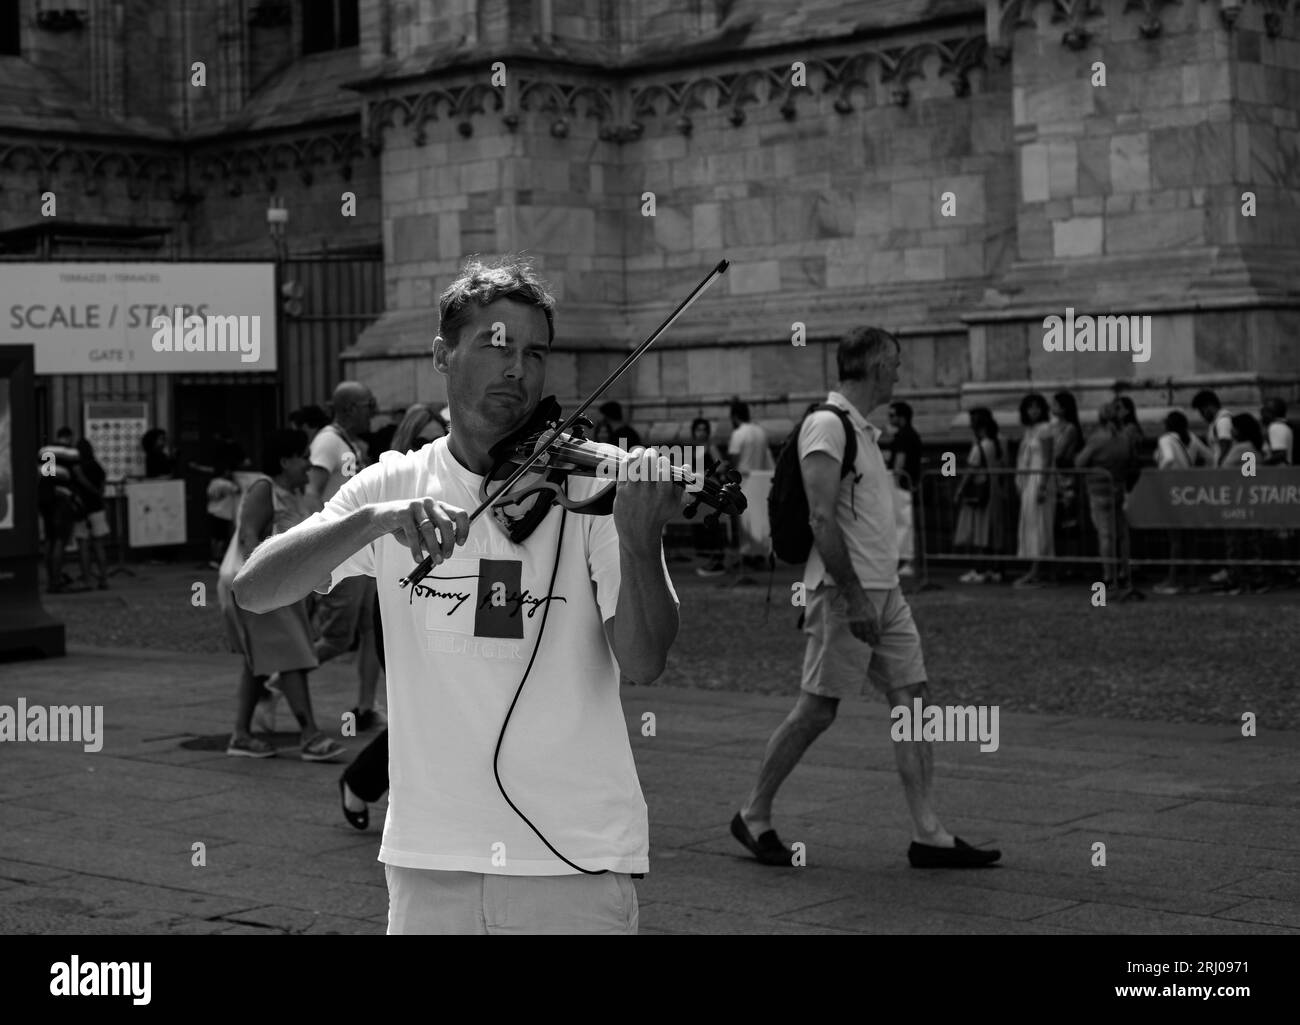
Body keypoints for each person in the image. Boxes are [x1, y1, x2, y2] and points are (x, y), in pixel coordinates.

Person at [235, 256, 683, 934]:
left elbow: (645, 661)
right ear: (442, 354)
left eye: (536, 354)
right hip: (429, 860)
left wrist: (643, 543)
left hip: (573, 860)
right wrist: (375, 521)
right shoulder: (392, 483)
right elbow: (256, 588)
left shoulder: (593, 483)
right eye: (497, 346)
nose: (518, 370)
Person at [731, 326, 1000, 871]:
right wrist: (853, 598)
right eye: (896, 363)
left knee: (914, 698)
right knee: (818, 708)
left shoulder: (864, 431)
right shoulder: (828, 427)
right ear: (876, 365)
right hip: (844, 594)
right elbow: (821, 517)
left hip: (886, 591)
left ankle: (930, 834)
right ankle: (753, 813)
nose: (901, 373)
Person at [338, 402, 450, 829]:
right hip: (398, 607)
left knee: (445, 705)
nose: (433, 447)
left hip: (446, 603)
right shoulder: (392, 484)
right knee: (419, 708)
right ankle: (361, 781)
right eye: (422, 440)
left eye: (438, 437)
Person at [221, 429, 345, 761]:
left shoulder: (292, 493)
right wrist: (260, 581)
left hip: (279, 585)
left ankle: (241, 736)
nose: (308, 463)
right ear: (284, 461)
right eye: (302, 456)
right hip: (262, 584)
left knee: (256, 662)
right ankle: (310, 735)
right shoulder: (264, 489)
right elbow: (249, 535)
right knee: (293, 655)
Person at [308, 380, 386, 732]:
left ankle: (366, 706)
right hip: (342, 553)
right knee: (338, 637)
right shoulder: (328, 442)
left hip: (362, 551)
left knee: (371, 630)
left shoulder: (348, 442)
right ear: (351, 408)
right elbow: (311, 493)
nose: (375, 411)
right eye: (370, 404)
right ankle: (276, 684)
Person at [1074, 400, 1140, 595]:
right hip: (1118, 488)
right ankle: (1124, 571)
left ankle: (1108, 575)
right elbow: (1132, 462)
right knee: (1121, 533)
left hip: (1098, 490)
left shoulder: (1097, 439)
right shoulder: (1125, 438)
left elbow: (1079, 463)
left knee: (1105, 534)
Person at [1151, 410, 1213, 596]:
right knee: (1190, 538)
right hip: (1191, 489)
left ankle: (1172, 579)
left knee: (1175, 538)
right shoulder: (1192, 438)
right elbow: (1210, 457)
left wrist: (1160, 476)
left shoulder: (1165, 439)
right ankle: (1192, 579)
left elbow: (1169, 458)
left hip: (1172, 490)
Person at [953, 408, 1006, 584]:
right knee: (994, 530)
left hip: (982, 492)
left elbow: (971, 470)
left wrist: (960, 490)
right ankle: (996, 568)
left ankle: (981, 568)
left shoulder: (980, 446)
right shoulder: (1000, 441)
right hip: (996, 489)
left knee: (980, 531)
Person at [1221, 413, 1268, 593]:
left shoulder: (1244, 449)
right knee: (1249, 541)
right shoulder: (1248, 447)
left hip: (1240, 501)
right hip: (1243, 501)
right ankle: (1252, 577)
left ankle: (1241, 579)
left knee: (1239, 542)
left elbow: (1249, 474)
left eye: (1234, 427)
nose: (1231, 431)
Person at [1013, 393, 1054, 588]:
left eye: (1037, 407)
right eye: (1030, 407)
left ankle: (1037, 569)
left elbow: (1047, 458)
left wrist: (1043, 485)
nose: (1034, 411)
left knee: (1039, 524)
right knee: (1030, 522)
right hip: (1029, 479)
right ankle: (1036, 566)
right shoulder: (1029, 430)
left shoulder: (1045, 429)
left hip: (1039, 478)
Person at [726, 399, 773, 567]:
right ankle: (760, 554)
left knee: (744, 520)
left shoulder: (738, 434)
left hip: (743, 481)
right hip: (760, 479)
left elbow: (734, 459)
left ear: (734, 416)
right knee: (758, 519)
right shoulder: (761, 432)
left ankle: (747, 556)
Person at [884, 401, 922, 577]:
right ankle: (905, 559)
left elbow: (900, 460)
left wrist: (896, 479)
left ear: (902, 417)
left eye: (892, 415)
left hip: (901, 484)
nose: (890, 419)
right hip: (905, 483)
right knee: (902, 522)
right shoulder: (910, 434)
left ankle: (907, 559)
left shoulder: (903, 436)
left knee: (903, 522)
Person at [1049, 391, 1085, 574]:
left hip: (1066, 481)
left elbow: (1057, 451)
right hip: (1054, 479)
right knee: (1059, 522)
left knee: (1069, 522)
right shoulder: (1053, 426)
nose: (1052, 407)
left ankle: (1073, 562)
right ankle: (1062, 561)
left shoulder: (1069, 428)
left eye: (1055, 404)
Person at [689, 417, 729, 577]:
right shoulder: (694, 449)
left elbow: (722, 466)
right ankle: (711, 558)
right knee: (702, 523)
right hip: (698, 490)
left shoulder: (710, 447)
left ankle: (717, 559)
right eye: (698, 429)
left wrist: (709, 474)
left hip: (710, 489)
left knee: (712, 523)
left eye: (704, 429)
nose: (701, 432)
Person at [70, 433, 111, 590]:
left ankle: (87, 580)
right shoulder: (96, 466)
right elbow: (102, 488)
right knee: (99, 545)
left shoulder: (76, 469)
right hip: (97, 508)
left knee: (83, 546)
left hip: (81, 510)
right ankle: (104, 579)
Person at [206, 464, 241, 570]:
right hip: (223, 513)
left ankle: (213, 558)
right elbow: (238, 489)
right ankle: (218, 558)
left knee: (215, 537)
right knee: (221, 537)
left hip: (212, 511)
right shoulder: (227, 484)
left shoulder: (213, 482)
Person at [1192, 390, 1234, 466]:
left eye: (1202, 411)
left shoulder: (1223, 421)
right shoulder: (1216, 422)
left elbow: (1225, 445)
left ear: (1209, 406)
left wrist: (1219, 467)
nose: (1202, 416)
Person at [1261, 398, 1293, 466]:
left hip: (1278, 474)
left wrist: (1261, 464)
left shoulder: (1276, 427)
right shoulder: (1283, 425)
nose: (1261, 414)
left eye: (1264, 410)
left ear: (1271, 413)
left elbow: (1280, 454)